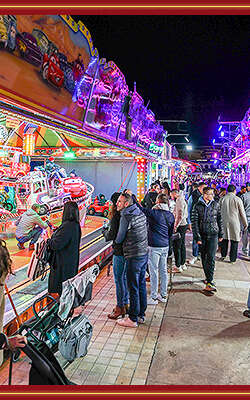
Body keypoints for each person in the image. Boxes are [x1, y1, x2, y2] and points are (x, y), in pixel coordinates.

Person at [133, 192, 174, 305]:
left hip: (154, 246)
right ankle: (164, 295)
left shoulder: (154, 213)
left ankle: (154, 297)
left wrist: (133, 198)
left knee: (154, 271)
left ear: (158, 202)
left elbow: (141, 209)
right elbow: (170, 233)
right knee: (163, 270)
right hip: (165, 246)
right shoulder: (170, 215)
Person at [115, 192, 148, 327]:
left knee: (132, 286)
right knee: (140, 284)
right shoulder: (139, 212)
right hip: (143, 253)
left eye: (119, 201)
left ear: (126, 204)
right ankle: (141, 314)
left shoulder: (126, 216)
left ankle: (132, 318)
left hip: (133, 255)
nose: (117, 204)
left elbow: (119, 238)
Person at [102, 192, 129, 319]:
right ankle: (126, 304)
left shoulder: (117, 217)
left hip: (119, 251)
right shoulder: (129, 214)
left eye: (118, 202)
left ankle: (120, 307)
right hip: (129, 251)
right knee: (125, 279)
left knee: (119, 280)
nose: (116, 204)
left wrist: (104, 232)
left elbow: (113, 236)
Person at [191, 187, 223, 292]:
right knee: (204, 258)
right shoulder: (197, 205)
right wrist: (197, 237)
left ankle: (210, 281)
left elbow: (220, 219)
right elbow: (194, 222)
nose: (212, 196)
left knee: (211, 257)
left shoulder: (216, 204)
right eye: (210, 194)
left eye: (212, 194)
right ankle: (207, 276)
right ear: (205, 195)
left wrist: (221, 233)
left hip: (213, 234)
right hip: (203, 235)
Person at [48, 201, 81, 296]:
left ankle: (60, 309)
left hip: (62, 265)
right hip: (70, 263)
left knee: (61, 291)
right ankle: (68, 309)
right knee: (67, 290)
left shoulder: (67, 226)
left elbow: (55, 244)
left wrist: (48, 239)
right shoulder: (75, 225)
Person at [220, 185, 248, 263]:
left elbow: (218, 211)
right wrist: (245, 224)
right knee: (234, 241)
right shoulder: (237, 199)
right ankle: (232, 259)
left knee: (224, 239)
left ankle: (223, 255)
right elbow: (242, 213)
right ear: (234, 190)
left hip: (224, 222)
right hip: (235, 222)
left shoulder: (222, 199)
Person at [187, 182, 206, 265]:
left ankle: (201, 254)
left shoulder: (206, 197)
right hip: (195, 221)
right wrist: (189, 222)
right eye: (204, 189)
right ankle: (195, 255)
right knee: (196, 238)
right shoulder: (193, 196)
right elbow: (188, 209)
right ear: (199, 188)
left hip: (205, 222)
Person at [171, 190, 189, 273]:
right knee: (182, 245)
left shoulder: (179, 200)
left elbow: (180, 214)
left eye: (172, 194)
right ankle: (182, 263)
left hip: (180, 225)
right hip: (183, 224)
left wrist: (175, 226)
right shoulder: (182, 199)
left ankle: (178, 265)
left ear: (175, 193)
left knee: (177, 246)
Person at [242, 189, 250, 256]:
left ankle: (245, 250)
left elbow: (241, 208)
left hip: (246, 218)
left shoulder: (244, 196)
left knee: (245, 234)